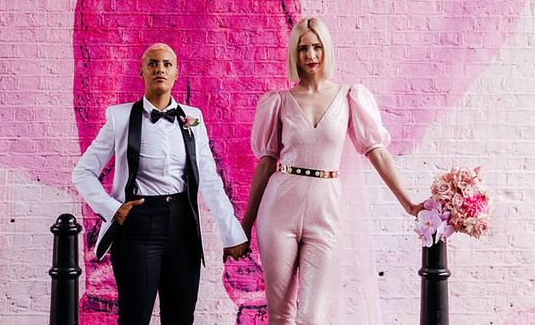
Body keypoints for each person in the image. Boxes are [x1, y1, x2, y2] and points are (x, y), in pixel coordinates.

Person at [242, 17, 424, 325]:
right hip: (279, 206)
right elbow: (264, 165)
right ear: (294, 54)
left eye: (317, 47)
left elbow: (376, 152)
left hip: (326, 208)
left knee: (311, 317)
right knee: (280, 314)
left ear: (326, 49)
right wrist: (244, 226)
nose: (311, 56)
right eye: (303, 49)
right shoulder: (279, 102)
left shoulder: (349, 97)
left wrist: (408, 203)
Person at [72, 43, 250, 325]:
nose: (160, 69)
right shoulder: (119, 118)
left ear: (176, 73)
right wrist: (112, 208)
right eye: (153, 64)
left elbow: (210, 179)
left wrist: (232, 234)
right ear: (141, 72)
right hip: (138, 225)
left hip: (183, 226)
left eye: (167, 64)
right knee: (135, 316)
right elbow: (82, 172)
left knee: (180, 317)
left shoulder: (193, 119)